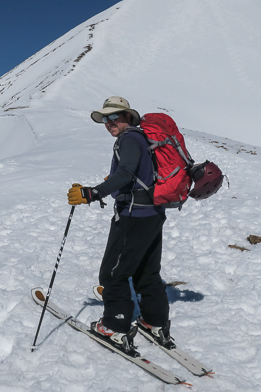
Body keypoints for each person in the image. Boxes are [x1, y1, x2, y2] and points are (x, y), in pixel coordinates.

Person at [67, 96, 173, 354]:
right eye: (105, 118)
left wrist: (92, 193)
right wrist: (113, 180)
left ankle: (116, 327)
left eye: (115, 116)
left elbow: (126, 173)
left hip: (133, 217)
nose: (109, 122)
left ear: (128, 117)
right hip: (152, 213)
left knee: (113, 274)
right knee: (146, 271)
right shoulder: (141, 138)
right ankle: (154, 322)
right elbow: (133, 173)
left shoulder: (129, 139)